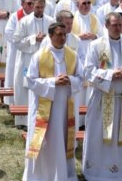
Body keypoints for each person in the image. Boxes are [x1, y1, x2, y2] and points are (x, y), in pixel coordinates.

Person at [82, 12, 122, 181]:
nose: (119, 28)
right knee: (98, 136)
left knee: (120, 139)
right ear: (106, 25)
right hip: (102, 98)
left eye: (121, 24)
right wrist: (110, 75)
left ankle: (121, 173)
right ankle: (97, 173)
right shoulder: (95, 45)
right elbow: (88, 71)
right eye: (115, 24)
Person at [23, 22, 81, 181]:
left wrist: (69, 80)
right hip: (44, 108)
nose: (63, 38)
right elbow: (30, 81)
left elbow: (81, 79)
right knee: (45, 141)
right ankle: (41, 176)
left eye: (65, 35)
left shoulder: (72, 55)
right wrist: (53, 82)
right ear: (50, 36)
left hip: (64, 109)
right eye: (59, 35)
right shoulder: (39, 56)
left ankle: (62, 175)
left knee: (61, 139)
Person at [14, 0, 53, 128]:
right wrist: (34, 38)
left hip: (44, 60)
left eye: (42, 7)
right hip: (27, 58)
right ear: (33, 6)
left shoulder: (50, 21)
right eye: (37, 7)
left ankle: (42, 119)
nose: (40, 10)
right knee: (25, 89)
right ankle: (23, 121)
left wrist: (46, 40)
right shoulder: (24, 21)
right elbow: (17, 41)